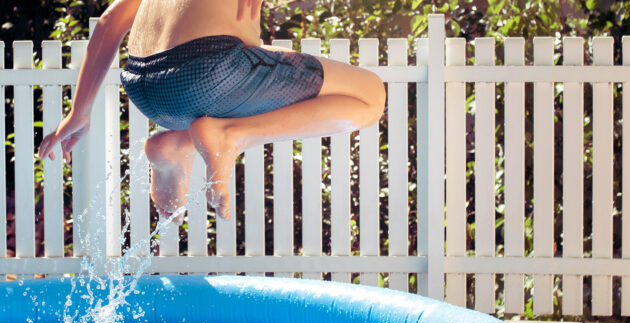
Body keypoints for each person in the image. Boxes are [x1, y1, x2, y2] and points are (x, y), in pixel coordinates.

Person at [39, 0, 386, 224]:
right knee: (371, 95)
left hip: (146, 87)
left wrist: (79, 112)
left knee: (258, 53)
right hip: (210, 71)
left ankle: (179, 143)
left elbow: (109, 23)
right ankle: (233, 135)